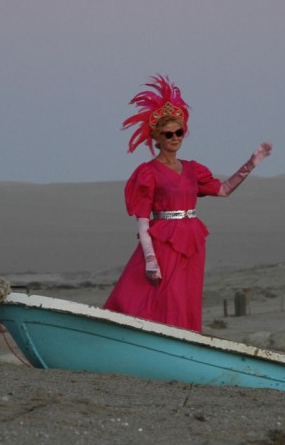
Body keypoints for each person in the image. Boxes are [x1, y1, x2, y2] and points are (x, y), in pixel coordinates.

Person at [104, 75, 271, 332]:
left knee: (187, 292)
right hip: (164, 239)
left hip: (192, 237)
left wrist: (251, 164)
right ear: (156, 138)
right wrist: (150, 258)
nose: (175, 137)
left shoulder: (193, 169)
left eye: (179, 132)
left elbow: (223, 190)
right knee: (164, 292)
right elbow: (142, 219)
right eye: (168, 133)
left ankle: (184, 337)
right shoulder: (148, 172)